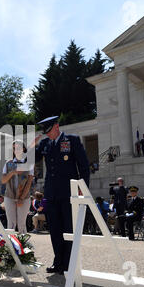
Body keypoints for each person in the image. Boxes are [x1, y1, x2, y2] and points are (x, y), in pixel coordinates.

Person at [33, 116, 90, 275]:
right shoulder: (45, 143)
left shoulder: (71, 140)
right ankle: (58, 262)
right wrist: (32, 145)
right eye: (45, 132)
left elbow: (83, 165)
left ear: (56, 127)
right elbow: (29, 159)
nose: (46, 134)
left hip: (69, 193)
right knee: (55, 230)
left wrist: (83, 187)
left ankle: (68, 264)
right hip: (51, 194)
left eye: (48, 130)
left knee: (68, 229)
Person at [2, 140, 34, 235]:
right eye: (14, 148)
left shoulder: (29, 163)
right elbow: (3, 180)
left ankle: (23, 246)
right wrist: (12, 172)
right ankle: (10, 245)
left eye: (18, 147)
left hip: (24, 196)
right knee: (11, 224)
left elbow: (29, 182)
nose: (16, 150)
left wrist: (21, 198)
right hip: (9, 196)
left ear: (23, 148)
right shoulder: (8, 163)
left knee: (21, 224)